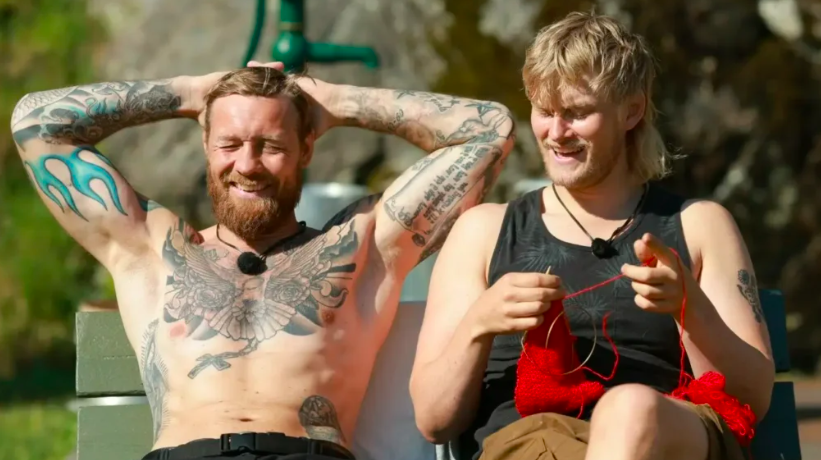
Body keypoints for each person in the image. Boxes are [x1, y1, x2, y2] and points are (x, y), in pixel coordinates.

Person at [10, 60, 515, 459]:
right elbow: (35, 121)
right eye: (229, 143)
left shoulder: (361, 249)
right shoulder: (150, 248)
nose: (247, 165)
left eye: (270, 145)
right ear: (206, 145)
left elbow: (490, 130)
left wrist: (334, 102)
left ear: (306, 148)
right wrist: (192, 93)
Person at [409, 11, 774, 460]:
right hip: (532, 445)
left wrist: (690, 308)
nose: (556, 133)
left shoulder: (698, 225)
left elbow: (753, 398)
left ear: (632, 111)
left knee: (631, 409)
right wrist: (478, 323)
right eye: (545, 112)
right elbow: (433, 419)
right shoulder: (484, 231)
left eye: (577, 113)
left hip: (663, 437)